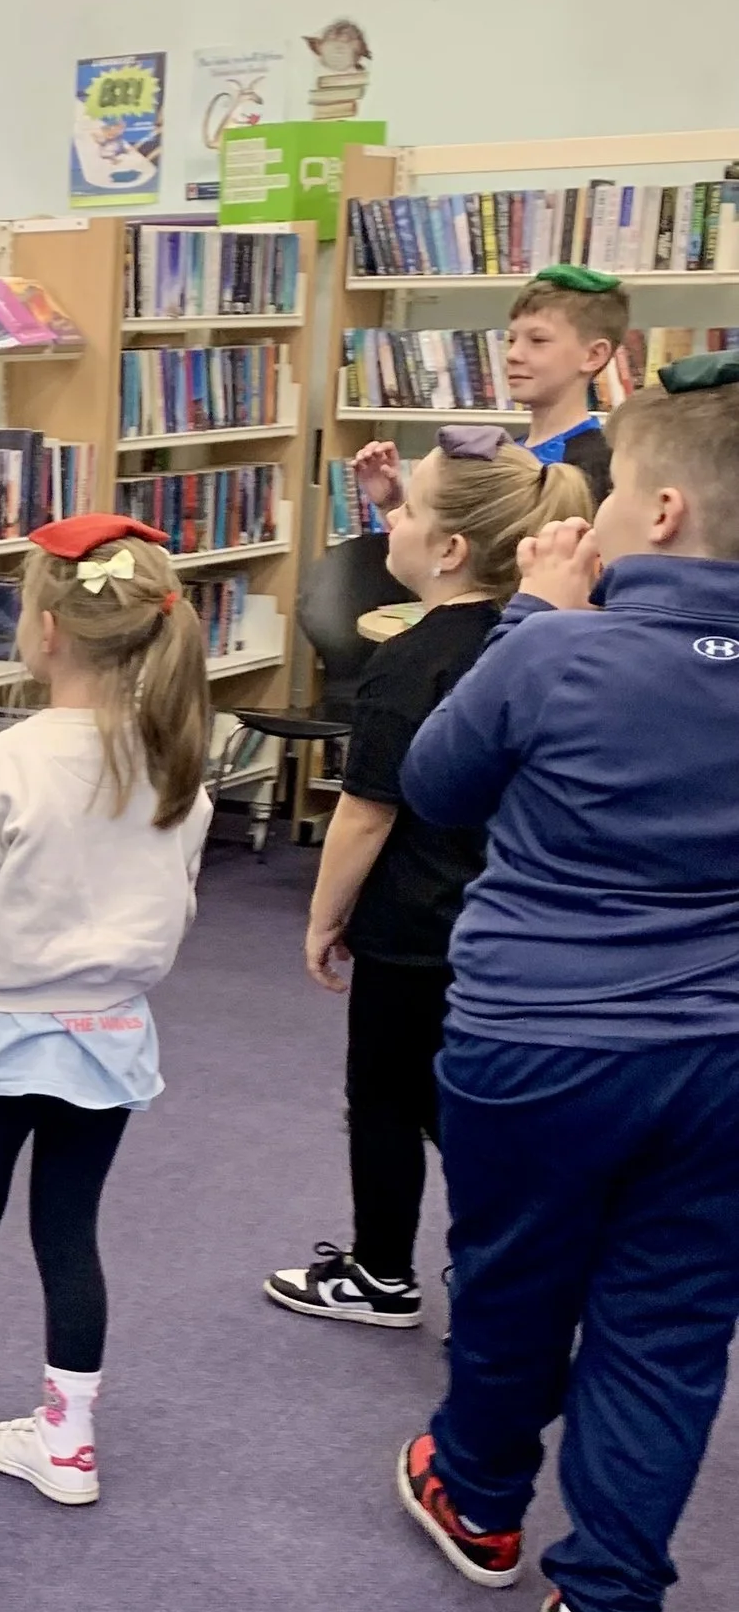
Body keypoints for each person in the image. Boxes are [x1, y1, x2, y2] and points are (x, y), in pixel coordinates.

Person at [390, 362, 739, 1612]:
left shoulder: (553, 646)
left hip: (537, 1043)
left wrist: (533, 609)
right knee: (672, 1325)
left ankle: (476, 1498)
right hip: (722, 1058)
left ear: (657, 511)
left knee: (514, 1276)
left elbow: (435, 783)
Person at [0, 516, 212, 1507]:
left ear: (48, 632)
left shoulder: (8, 761)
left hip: (1, 1038)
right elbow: (174, 910)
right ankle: (67, 1442)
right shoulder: (177, 766)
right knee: (69, 1235)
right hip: (110, 1037)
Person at [264, 430, 587, 1328]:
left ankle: (380, 1272)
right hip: (503, 919)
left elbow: (367, 812)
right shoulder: (539, 640)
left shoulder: (408, 662)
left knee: (385, 1097)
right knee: (465, 1102)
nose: (389, 519)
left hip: (414, 926)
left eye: (404, 510)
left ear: (448, 551)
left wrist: (324, 919)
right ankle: (522, 1268)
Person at [504, 265, 628, 489]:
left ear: (593, 355)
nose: (512, 355)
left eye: (538, 340)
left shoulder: (601, 470)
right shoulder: (504, 455)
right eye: (511, 340)